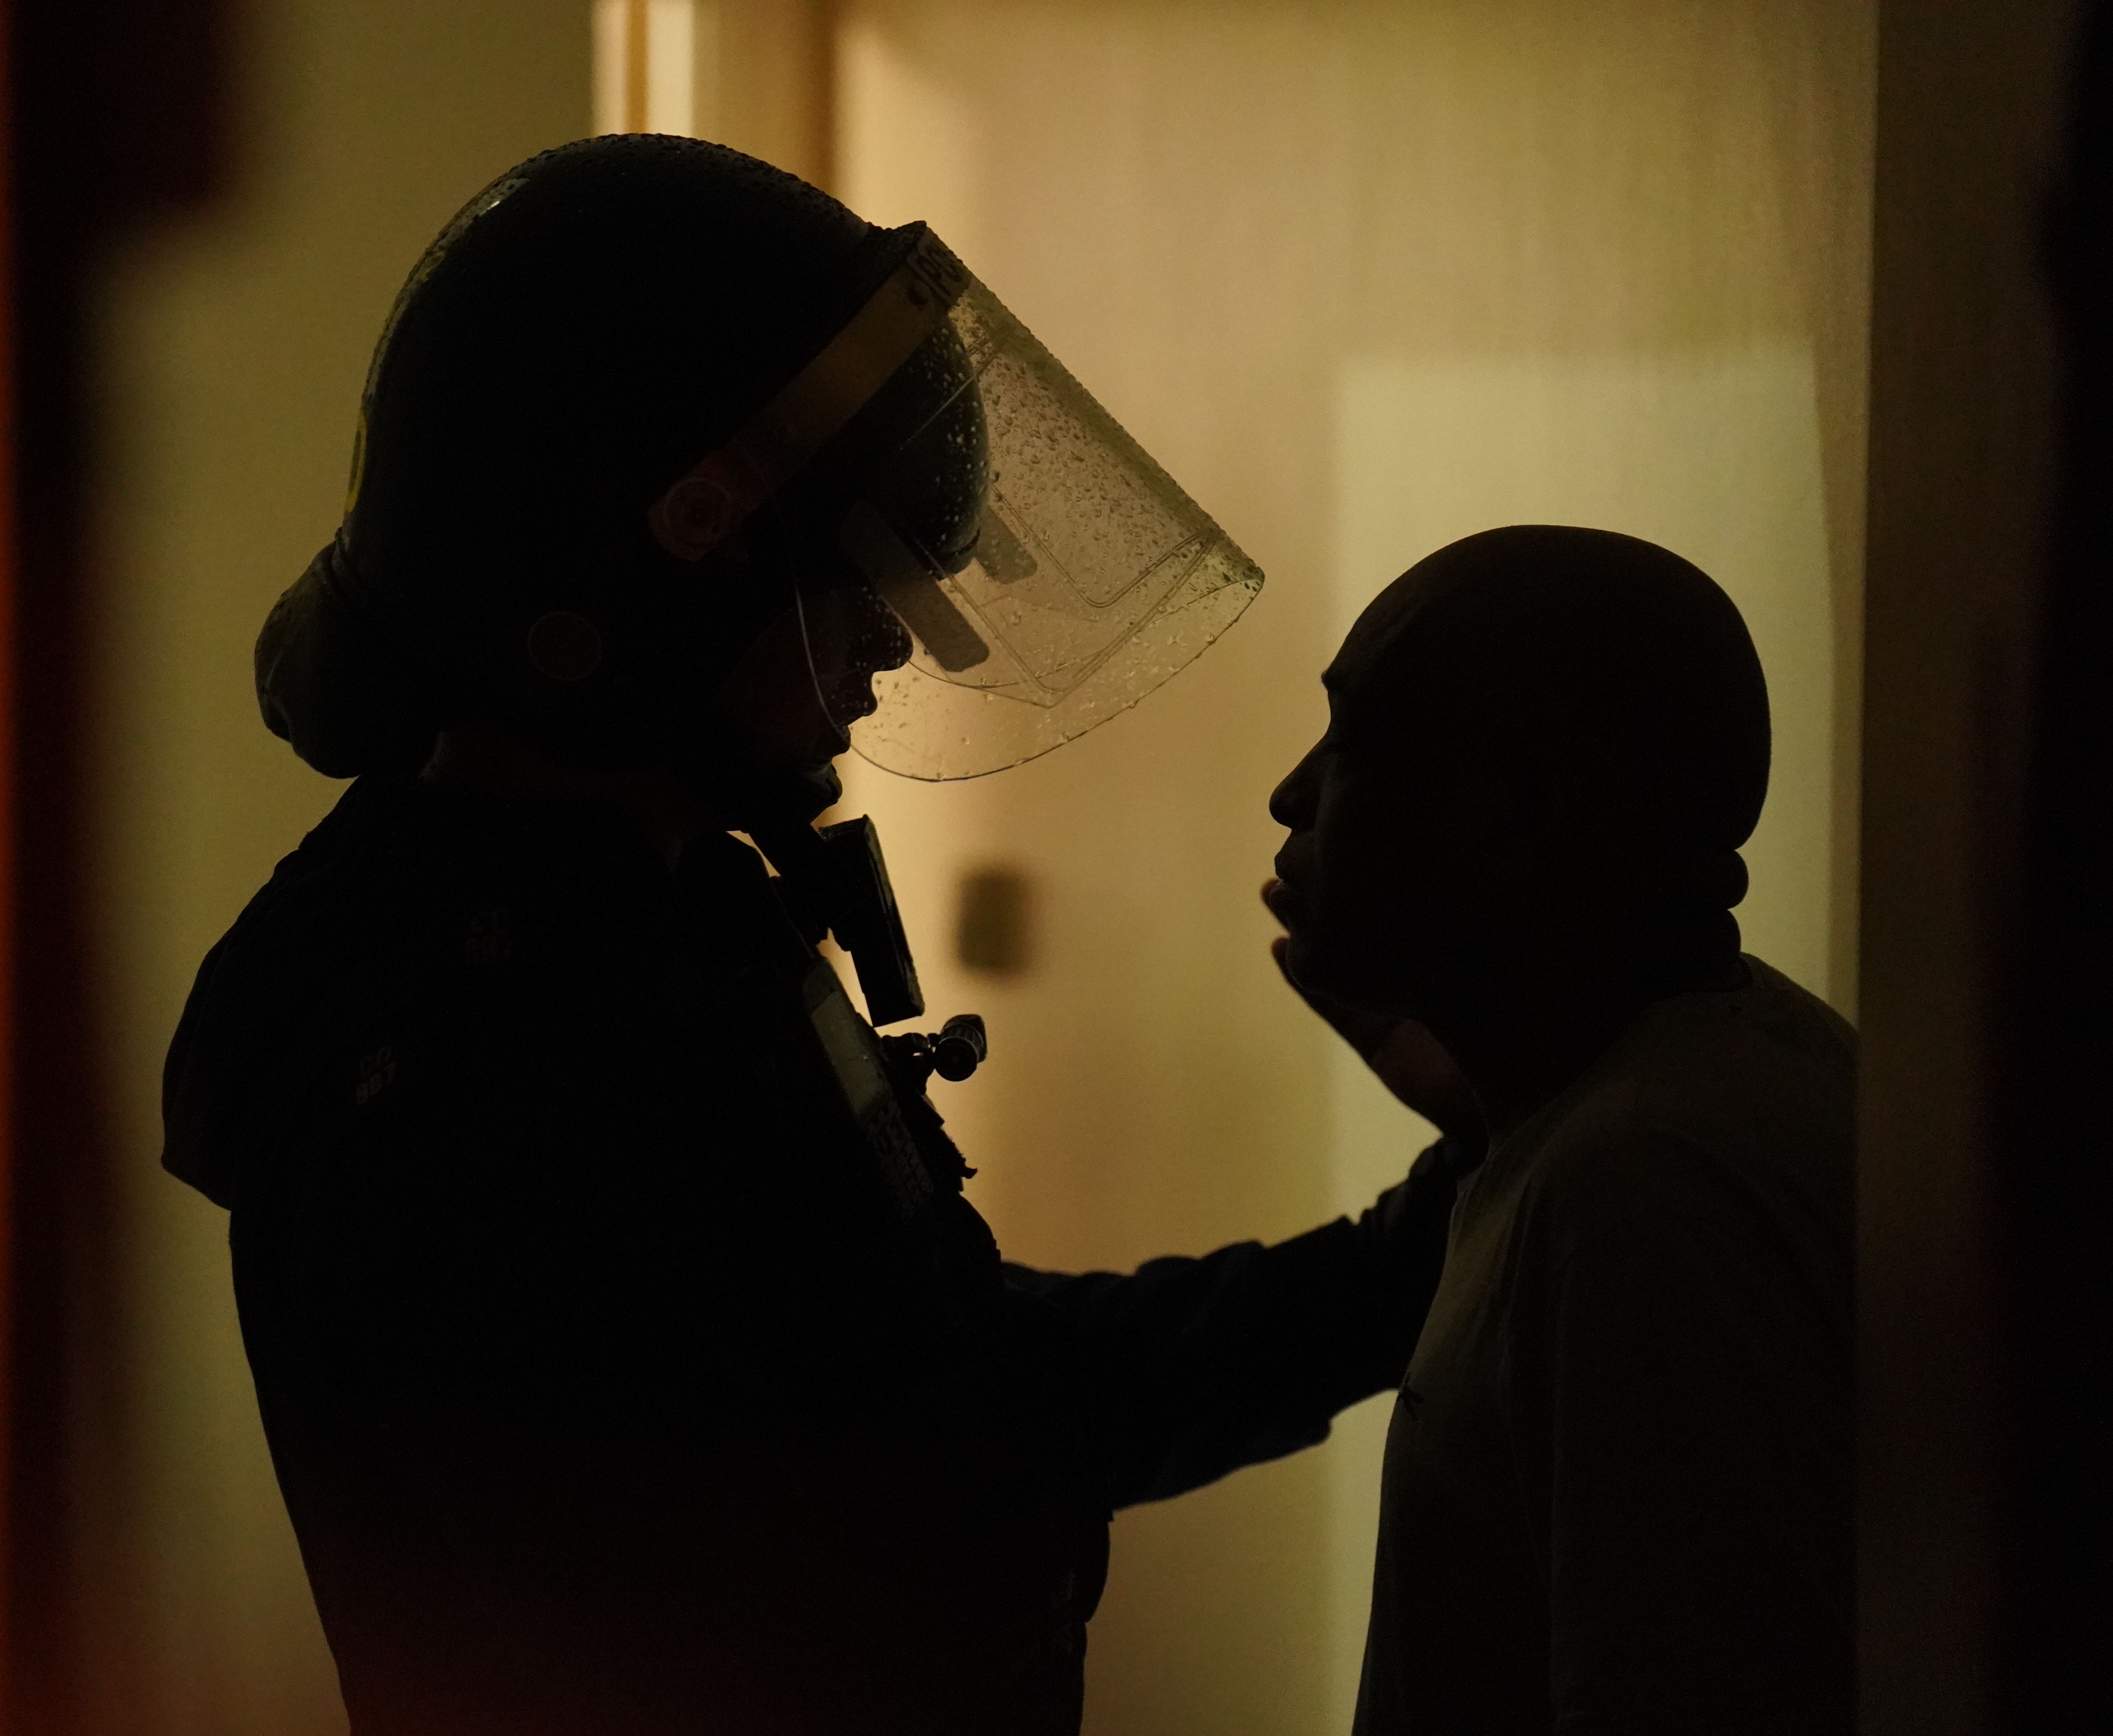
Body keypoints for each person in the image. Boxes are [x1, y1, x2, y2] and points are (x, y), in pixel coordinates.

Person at [160, 134, 1481, 1735]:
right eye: (847, 583)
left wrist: (1431, 1239)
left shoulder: (639, 932)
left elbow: (957, 1386)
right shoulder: (463, 1070)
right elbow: (837, 1572)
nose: (891, 648)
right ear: (652, 570)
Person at [1264, 525, 1854, 1733]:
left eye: (1353, 741)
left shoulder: (1649, 1190)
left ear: (1512, 808)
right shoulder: (1675, 1091)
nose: (1292, 794)